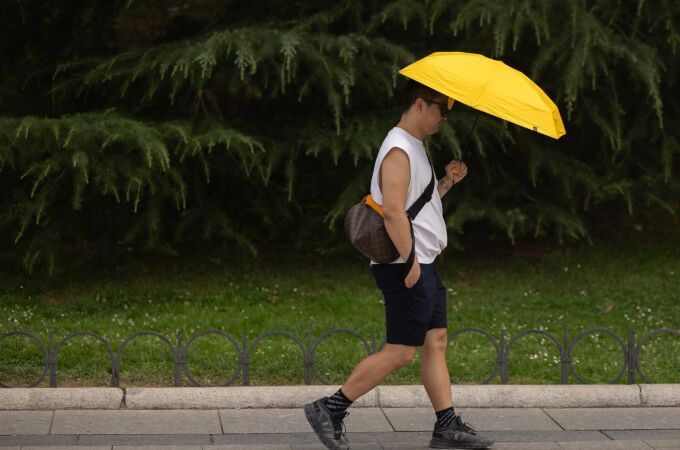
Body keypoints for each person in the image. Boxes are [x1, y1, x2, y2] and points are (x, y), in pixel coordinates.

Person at [303, 80, 495, 449]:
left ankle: (447, 426)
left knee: (435, 341)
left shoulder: (414, 148)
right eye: (442, 108)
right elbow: (392, 212)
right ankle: (330, 408)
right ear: (420, 104)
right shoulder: (397, 149)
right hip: (406, 265)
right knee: (402, 351)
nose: (444, 117)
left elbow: (414, 206)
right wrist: (410, 263)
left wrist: (445, 183)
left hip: (422, 261)